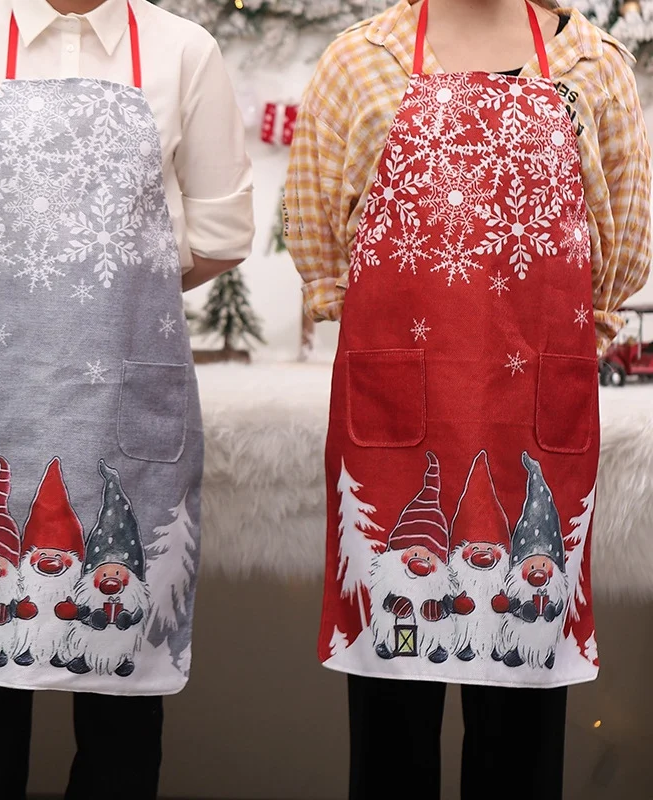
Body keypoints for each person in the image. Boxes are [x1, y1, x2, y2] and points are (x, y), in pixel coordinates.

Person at [0, 0, 254, 795]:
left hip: (123, 403)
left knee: (117, 711)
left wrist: (113, 298)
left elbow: (222, 235)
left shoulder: (185, 48)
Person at [284, 0, 650, 798]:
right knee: (391, 726)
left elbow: (623, 250)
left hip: (535, 424)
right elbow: (317, 239)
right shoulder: (360, 60)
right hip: (395, 425)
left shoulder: (596, 65)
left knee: (521, 731)